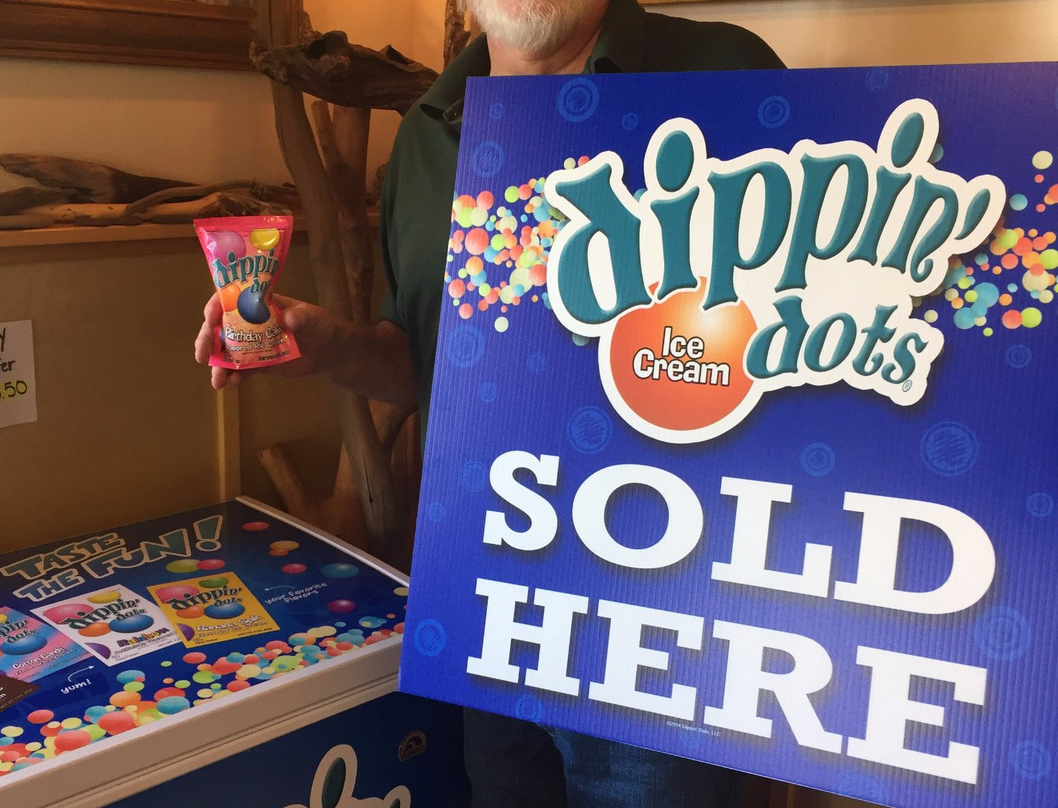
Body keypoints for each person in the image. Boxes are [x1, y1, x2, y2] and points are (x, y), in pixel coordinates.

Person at [197, 1, 783, 805]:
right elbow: (433, 369)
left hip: (666, 634)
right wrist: (329, 348)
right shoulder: (427, 134)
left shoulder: (729, 74)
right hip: (493, 605)